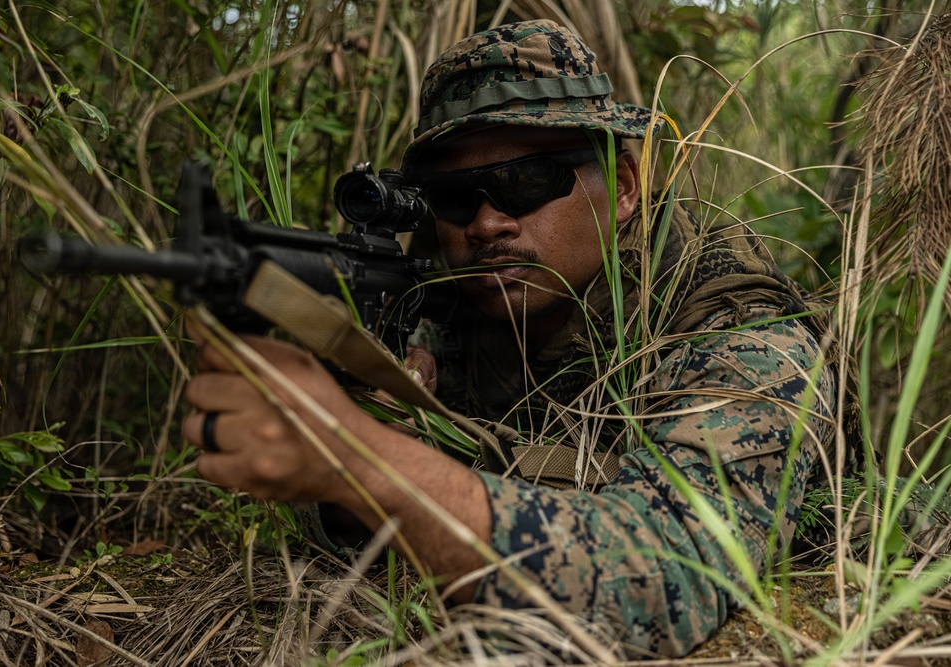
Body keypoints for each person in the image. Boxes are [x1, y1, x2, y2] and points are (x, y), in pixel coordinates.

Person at [181, 20, 838, 658]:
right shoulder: (438, 304)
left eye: (527, 182)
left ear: (623, 187)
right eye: (454, 197)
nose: (487, 223)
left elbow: (666, 579)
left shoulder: (735, 321)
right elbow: (342, 535)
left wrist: (365, 461)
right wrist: (365, 438)